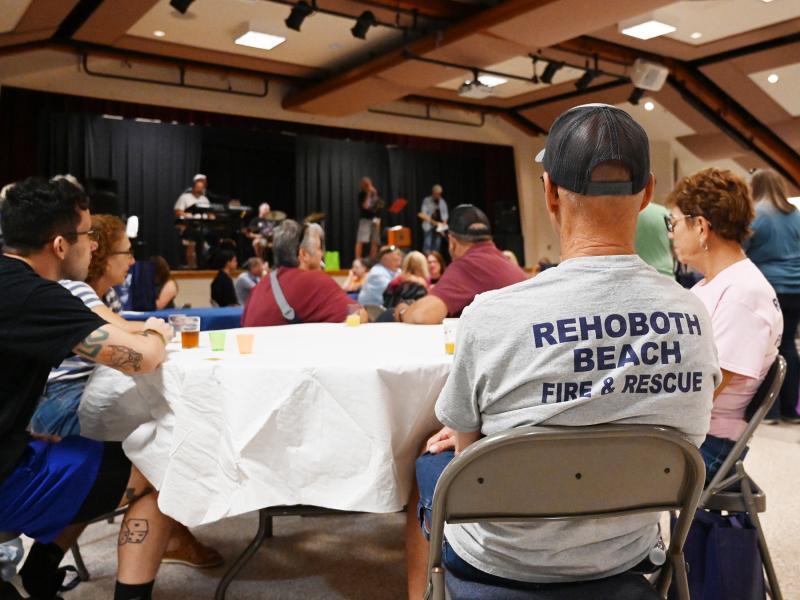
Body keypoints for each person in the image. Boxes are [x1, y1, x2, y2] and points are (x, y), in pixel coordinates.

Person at [405, 104, 720, 598]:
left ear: (550, 190)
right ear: (648, 193)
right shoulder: (695, 314)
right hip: (626, 554)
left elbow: (467, 456)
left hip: (501, 561)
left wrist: (482, 432)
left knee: (426, 464)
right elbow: (690, 434)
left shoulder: (490, 314)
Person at [0, 177, 177, 600]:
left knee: (91, 455)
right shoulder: (36, 295)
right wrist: (157, 332)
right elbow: (141, 357)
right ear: (60, 245)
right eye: (86, 236)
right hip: (6, 477)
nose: (93, 246)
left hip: (14, 448)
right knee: (163, 470)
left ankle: (40, 572)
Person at [29, 212, 223, 571]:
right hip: (61, 407)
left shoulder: (99, 295)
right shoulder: (76, 290)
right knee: (164, 449)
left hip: (66, 402)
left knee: (156, 436)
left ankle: (48, 558)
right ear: (101, 255)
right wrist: (155, 331)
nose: (133, 261)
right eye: (126, 252)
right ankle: (171, 538)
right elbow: (129, 337)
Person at [667, 167, 783, 479]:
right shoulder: (715, 284)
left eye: (673, 223)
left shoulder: (743, 294)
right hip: (693, 434)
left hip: (706, 443)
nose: (671, 233)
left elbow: (703, 390)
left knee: (598, 466)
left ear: (701, 226)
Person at [395, 205, 527, 325]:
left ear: (452, 242)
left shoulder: (467, 265)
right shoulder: (509, 264)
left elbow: (423, 315)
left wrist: (402, 311)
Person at [745, 169, 800, 422]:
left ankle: (769, 410)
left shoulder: (757, 215)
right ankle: (790, 409)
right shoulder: (795, 215)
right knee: (788, 345)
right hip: (796, 289)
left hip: (770, 288)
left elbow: (741, 249)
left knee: (766, 348)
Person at [242, 220, 366, 326]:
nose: (322, 255)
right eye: (319, 248)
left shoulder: (259, 286)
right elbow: (358, 313)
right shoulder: (314, 281)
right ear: (303, 254)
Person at [174, 175, 212, 269]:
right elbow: (178, 212)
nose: (200, 189)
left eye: (202, 187)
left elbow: (210, 213)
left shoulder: (205, 199)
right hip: (189, 226)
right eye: (198, 187)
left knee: (213, 236)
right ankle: (197, 264)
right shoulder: (185, 197)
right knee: (197, 235)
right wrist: (188, 215)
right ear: (193, 186)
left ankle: (210, 261)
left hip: (203, 226)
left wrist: (211, 216)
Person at [635, 201, 674, 277]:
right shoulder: (664, 212)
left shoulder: (627, 215)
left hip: (635, 275)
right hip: (664, 274)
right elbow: (675, 245)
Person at [355, 177, 382, 260]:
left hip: (375, 219)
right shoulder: (361, 194)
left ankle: (373, 260)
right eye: (367, 185)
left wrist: (375, 194)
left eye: (370, 184)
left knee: (375, 241)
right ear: (363, 186)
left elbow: (379, 205)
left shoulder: (375, 193)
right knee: (361, 240)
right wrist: (368, 194)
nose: (369, 187)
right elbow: (366, 206)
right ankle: (357, 260)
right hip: (365, 220)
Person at [421, 184, 448, 254]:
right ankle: (427, 258)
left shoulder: (442, 202)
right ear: (433, 192)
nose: (438, 195)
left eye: (439, 194)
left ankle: (435, 258)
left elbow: (445, 216)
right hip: (428, 226)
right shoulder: (427, 200)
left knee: (437, 246)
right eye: (436, 194)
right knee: (427, 245)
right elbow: (423, 214)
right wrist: (432, 220)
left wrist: (443, 226)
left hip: (439, 227)